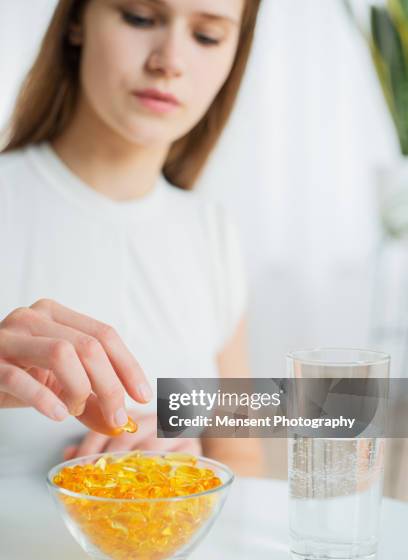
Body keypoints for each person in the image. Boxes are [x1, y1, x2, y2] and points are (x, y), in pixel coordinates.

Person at [0, 0, 265, 477]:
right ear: (77, 20)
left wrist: (187, 463)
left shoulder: (213, 233)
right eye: (140, 18)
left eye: (207, 36)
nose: (170, 61)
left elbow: (240, 458)